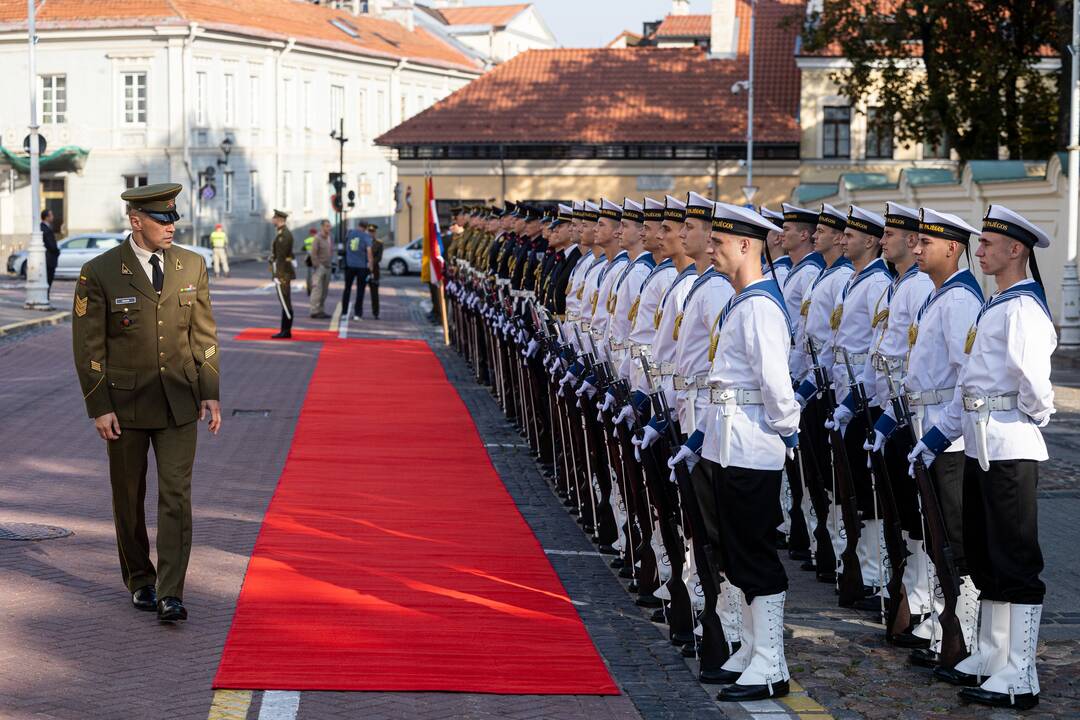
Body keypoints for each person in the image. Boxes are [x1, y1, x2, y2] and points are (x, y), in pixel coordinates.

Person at [910, 206, 1055, 710]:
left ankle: (1021, 671)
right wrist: (936, 436)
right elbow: (967, 384)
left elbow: (1035, 387)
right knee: (987, 555)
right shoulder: (996, 305)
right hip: (977, 442)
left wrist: (1031, 418)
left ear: (1016, 250)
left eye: (990, 243)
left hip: (1010, 446)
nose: (981, 249)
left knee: (1015, 559)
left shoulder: (1022, 310)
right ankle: (993, 655)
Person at [70, 182, 221, 624]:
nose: (171, 227)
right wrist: (99, 406)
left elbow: (204, 336)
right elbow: (88, 346)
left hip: (179, 404)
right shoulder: (99, 272)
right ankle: (140, 579)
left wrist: (210, 392)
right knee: (129, 498)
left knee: (176, 497)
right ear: (136, 222)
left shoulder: (192, 265)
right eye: (162, 219)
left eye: (174, 218)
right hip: (125, 406)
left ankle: (171, 593)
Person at [690, 201, 797, 701]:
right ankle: (752, 650)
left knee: (755, 554)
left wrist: (787, 431)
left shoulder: (758, 307)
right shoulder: (741, 302)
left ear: (747, 246)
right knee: (734, 552)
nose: (710, 248)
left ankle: (771, 660)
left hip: (752, 445)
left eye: (719, 241)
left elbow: (776, 385)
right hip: (727, 441)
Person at [341, 220, 374, 321]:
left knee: (347, 289)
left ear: (358, 225)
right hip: (361, 267)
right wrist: (371, 266)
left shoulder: (350, 234)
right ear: (366, 227)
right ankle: (357, 314)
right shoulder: (366, 237)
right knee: (360, 290)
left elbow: (346, 247)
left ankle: (344, 313)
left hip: (349, 265)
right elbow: (369, 252)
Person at [270, 209, 295, 339]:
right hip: (284, 271)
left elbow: (280, 257)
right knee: (285, 301)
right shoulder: (282, 233)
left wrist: (277, 275)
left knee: (285, 302)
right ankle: (285, 329)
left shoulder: (283, 236)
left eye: (274, 217)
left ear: (279, 220)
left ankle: (286, 330)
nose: (272, 219)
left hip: (283, 273)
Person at [309, 220, 332, 319]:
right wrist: (317, 265)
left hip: (328, 267)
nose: (328, 228)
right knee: (317, 290)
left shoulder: (329, 238)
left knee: (324, 291)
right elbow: (313, 253)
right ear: (322, 227)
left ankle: (321, 310)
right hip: (320, 267)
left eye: (329, 226)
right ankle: (314, 311)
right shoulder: (317, 238)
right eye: (326, 226)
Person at [41, 209, 60, 299]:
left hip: (48, 259)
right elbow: (51, 245)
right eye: (51, 215)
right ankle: (45, 298)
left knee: (48, 280)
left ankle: (45, 298)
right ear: (46, 217)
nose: (53, 217)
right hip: (48, 259)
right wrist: (57, 251)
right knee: (48, 280)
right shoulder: (45, 228)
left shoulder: (46, 227)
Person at [366, 224, 383, 319]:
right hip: (364, 269)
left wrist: (371, 263)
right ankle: (358, 312)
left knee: (374, 293)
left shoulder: (379, 243)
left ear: (375, 232)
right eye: (369, 231)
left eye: (372, 232)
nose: (371, 233)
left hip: (374, 270)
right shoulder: (364, 242)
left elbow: (379, 257)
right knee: (360, 291)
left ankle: (375, 313)